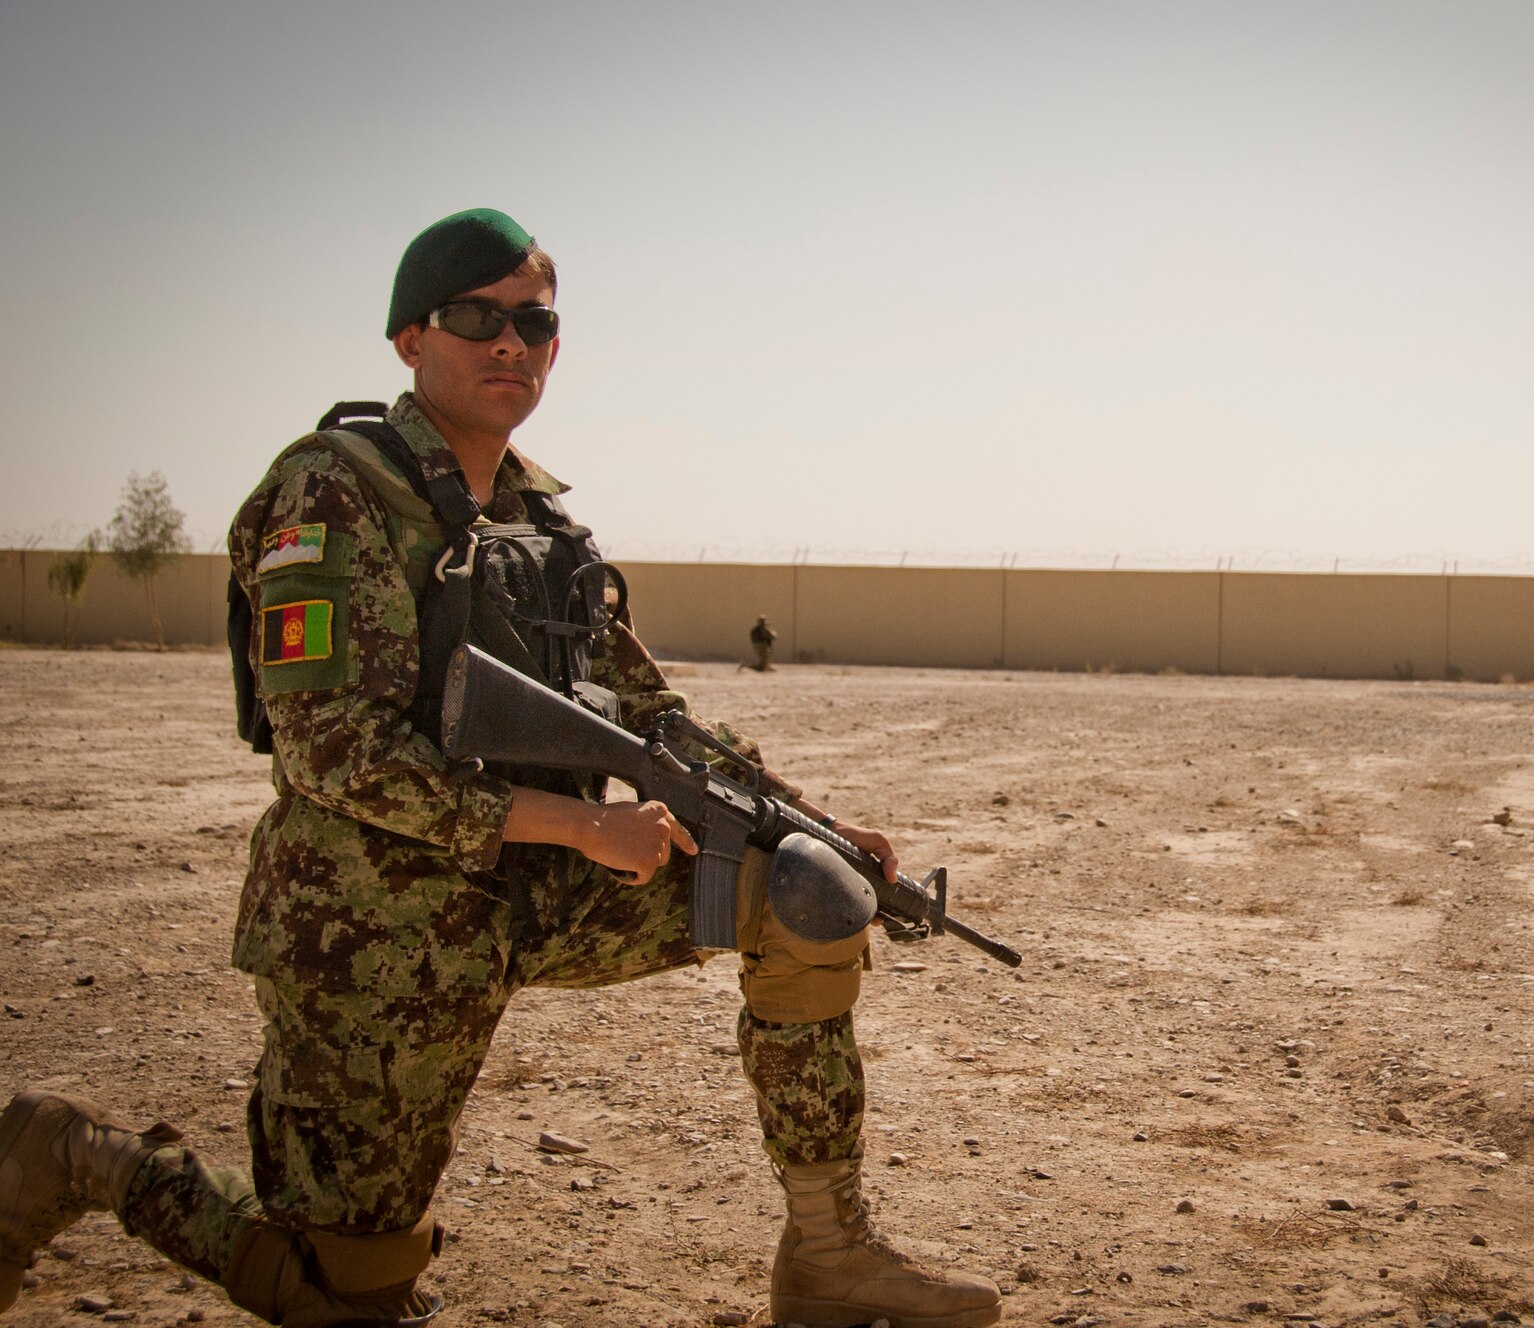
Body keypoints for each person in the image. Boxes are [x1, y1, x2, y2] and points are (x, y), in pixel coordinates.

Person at [0, 209, 1001, 1328]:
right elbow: (334, 752)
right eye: (476, 319)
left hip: (539, 891)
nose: (509, 345)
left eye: (532, 322)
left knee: (811, 893)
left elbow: (651, 708)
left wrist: (809, 819)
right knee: (340, 1289)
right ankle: (68, 1153)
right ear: (410, 339)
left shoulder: (540, 516)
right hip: (374, 922)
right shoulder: (331, 490)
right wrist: (579, 826)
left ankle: (828, 1255)